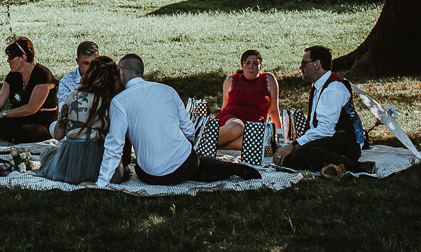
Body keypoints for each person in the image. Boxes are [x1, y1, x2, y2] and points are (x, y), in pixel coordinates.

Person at [96, 54, 261, 187]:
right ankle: (224, 168)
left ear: (120, 71)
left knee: (160, 168)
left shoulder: (120, 101)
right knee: (191, 160)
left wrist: (102, 182)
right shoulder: (167, 90)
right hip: (186, 162)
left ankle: (210, 171)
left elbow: (114, 145)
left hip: (153, 175)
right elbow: (188, 129)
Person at [273, 46, 374, 176]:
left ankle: (358, 166)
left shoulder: (333, 89)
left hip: (346, 142)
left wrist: (294, 145)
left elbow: (326, 129)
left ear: (317, 64)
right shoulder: (319, 86)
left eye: (304, 63)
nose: (300, 67)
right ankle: (336, 167)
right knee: (286, 159)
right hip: (331, 139)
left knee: (300, 153)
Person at [40, 55, 127, 184]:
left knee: (49, 154)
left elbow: (58, 135)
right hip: (99, 159)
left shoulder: (73, 96)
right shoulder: (114, 101)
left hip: (70, 163)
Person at [0, 37, 57, 143]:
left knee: (22, 132)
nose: (8, 60)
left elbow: (31, 108)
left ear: (23, 58)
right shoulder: (13, 75)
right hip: (19, 120)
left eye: (11, 57)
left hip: (41, 123)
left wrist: (3, 114)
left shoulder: (43, 75)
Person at [215, 49, 284, 149]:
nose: (251, 66)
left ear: (261, 66)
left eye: (255, 63)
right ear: (242, 66)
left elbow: (273, 110)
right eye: (247, 63)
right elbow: (224, 106)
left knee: (257, 143)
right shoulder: (231, 79)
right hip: (232, 119)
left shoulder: (269, 79)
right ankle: (203, 141)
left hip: (254, 125)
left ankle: (215, 144)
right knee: (237, 127)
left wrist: (280, 135)